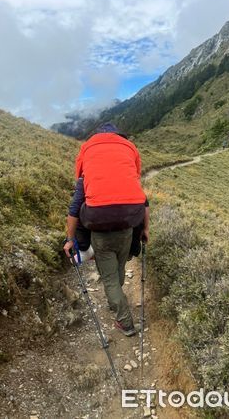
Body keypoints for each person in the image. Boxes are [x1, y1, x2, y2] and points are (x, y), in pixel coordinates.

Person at [63, 123, 149, 337]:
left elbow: (75, 209)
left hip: (100, 231)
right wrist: (145, 230)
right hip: (127, 229)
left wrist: (70, 240)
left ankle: (125, 323)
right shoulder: (127, 164)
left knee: (110, 279)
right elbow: (144, 202)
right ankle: (116, 299)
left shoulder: (88, 170)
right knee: (118, 270)